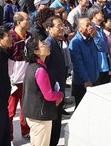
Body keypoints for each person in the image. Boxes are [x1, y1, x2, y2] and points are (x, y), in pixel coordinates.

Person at [22, 35, 65, 146]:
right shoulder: (40, 70)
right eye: (43, 44)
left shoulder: (32, 66)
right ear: (36, 51)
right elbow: (49, 95)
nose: (47, 45)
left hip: (33, 113)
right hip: (40, 116)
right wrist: (60, 94)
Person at [43, 16, 68, 146]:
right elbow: (44, 69)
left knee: (57, 123)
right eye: (58, 25)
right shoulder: (48, 44)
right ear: (49, 28)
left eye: (62, 25)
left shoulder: (57, 41)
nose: (62, 27)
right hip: (54, 91)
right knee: (53, 125)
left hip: (59, 88)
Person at [7, 12, 31, 142]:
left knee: (25, 107)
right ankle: (9, 136)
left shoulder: (29, 35)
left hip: (27, 80)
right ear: (19, 22)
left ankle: (25, 130)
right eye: (26, 19)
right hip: (13, 81)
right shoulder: (10, 38)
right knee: (10, 111)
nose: (29, 21)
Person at [68, 17, 100, 107]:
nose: (90, 27)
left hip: (95, 77)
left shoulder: (92, 37)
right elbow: (78, 64)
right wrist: (86, 80)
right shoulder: (75, 42)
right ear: (79, 28)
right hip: (83, 82)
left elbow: (103, 48)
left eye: (90, 24)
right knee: (81, 107)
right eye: (87, 25)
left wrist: (96, 37)